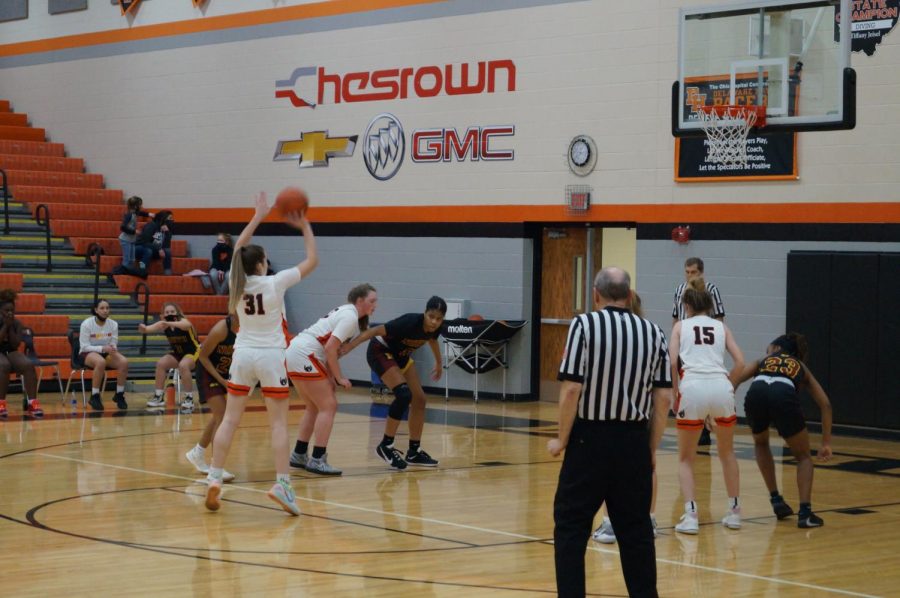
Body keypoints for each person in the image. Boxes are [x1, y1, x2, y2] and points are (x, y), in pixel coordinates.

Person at [548, 267, 671, 598]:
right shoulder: (654, 332)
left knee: (571, 528)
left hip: (590, 440)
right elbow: (663, 399)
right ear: (629, 296)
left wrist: (561, 439)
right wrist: (651, 449)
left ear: (595, 294)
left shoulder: (584, 325)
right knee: (637, 532)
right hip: (633, 441)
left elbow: (572, 388)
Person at [204, 191, 318, 517]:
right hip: (271, 357)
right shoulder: (274, 283)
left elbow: (238, 247)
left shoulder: (235, 281)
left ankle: (214, 475)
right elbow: (312, 261)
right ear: (260, 264)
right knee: (279, 425)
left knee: (230, 419)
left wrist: (257, 216)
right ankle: (283, 484)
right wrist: (305, 225)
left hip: (242, 356)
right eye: (265, 259)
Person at [669, 277, 745, 534]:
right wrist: (728, 386)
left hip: (692, 386)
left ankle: (691, 516)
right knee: (727, 453)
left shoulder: (680, 326)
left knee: (686, 459)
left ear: (687, 305)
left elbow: (671, 362)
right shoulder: (722, 328)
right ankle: (735, 512)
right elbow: (741, 363)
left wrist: (674, 393)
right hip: (720, 387)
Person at [732, 332, 832, 528]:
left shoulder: (764, 360)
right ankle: (805, 514)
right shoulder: (800, 366)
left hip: (757, 393)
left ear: (777, 348)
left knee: (761, 442)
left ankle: (776, 499)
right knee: (803, 456)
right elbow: (825, 404)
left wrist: (726, 407)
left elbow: (734, 380)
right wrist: (826, 443)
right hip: (783, 394)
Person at [341, 296, 447, 470]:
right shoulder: (408, 322)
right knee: (404, 394)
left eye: (438, 318)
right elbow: (374, 332)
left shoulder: (436, 328)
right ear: (425, 313)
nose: (434, 321)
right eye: (431, 316)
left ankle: (414, 451)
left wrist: (438, 363)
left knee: (419, 399)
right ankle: (386, 445)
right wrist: (350, 346)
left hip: (401, 356)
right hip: (380, 352)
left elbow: (433, 340)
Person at [286, 283, 378, 475]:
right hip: (305, 354)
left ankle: (299, 454)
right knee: (329, 406)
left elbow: (329, 351)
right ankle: (317, 459)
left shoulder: (347, 313)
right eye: (372, 301)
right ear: (360, 300)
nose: (375, 305)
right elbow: (329, 349)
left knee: (314, 407)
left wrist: (329, 376)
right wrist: (339, 378)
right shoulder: (350, 316)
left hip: (296, 352)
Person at [591, 290, 660, 544]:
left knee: (609, 471)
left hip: (615, 415)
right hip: (645, 412)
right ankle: (649, 519)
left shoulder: (612, 337)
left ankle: (610, 524)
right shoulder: (650, 335)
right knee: (648, 467)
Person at [672, 257, 725, 447]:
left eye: (693, 272)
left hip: (704, 346)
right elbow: (676, 318)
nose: (689, 275)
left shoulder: (711, 290)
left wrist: (716, 345)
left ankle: (705, 429)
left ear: (701, 272)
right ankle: (691, 425)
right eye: (687, 272)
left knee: (704, 385)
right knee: (688, 387)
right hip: (685, 345)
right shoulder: (679, 290)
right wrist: (675, 344)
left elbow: (719, 319)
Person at [184, 315, 237, 483]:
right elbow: (203, 356)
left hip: (225, 374)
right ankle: (216, 467)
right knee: (222, 415)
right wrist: (221, 380)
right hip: (208, 372)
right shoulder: (222, 328)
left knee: (218, 417)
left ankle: (197, 453)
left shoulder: (248, 328)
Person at [139, 302, 200, 411]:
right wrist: (143, 328)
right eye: (167, 312)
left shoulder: (182, 321)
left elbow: (187, 325)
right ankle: (159, 397)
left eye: (172, 311)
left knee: (183, 365)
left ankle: (189, 398)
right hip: (178, 353)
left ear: (177, 313)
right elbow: (148, 329)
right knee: (161, 363)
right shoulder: (163, 324)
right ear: (163, 314)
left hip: (193, 352)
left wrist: (171, 323)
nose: (170, 314)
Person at [79, 298, 130, 411]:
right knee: (100, 362)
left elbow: (113, 342)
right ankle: (95, 395)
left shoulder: (113, 324)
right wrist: (102, 348)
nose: (105, 310)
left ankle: (119, 394)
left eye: (107, 308)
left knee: (124, 362)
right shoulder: (86, 324)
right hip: (87, 352)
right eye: (102, 308)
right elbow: (84, 346)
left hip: (106, 351)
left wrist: (112, 347)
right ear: (96, 310)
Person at [0, 289, 42, 418]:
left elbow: (15, 344)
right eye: (7, 311)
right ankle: (1, 404)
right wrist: (5, 326)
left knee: (28, 364)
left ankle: (32, 403)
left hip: (10, 351)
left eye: (12, 310)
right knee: (4, 365)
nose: (10, 313)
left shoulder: (17, 323)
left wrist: (10, 327)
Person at [118, 196, 152, 271]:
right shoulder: (129, 214)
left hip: (132, 240)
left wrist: (149, 214)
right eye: (140, 205)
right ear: (136, 206)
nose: (141, 206)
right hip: (125, 240)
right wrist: (134, 231)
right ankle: (123, 274)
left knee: (132, 259)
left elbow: (141, 213)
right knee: (127, 259)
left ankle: (129, 273)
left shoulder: (135, 213)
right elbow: (122, 227)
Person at [135, 210, 174, 276]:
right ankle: (142, 269)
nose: (172, 220)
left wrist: (167, 232)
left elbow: (167, 246)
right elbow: (144, 242)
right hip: (139, 248)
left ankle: (168, 273)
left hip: (153, 250)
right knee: (148, 251)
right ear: (163, 218)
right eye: (170, 218)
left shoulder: (165, 229)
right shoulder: (151, 225)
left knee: (167, 251)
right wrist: (158, 249)